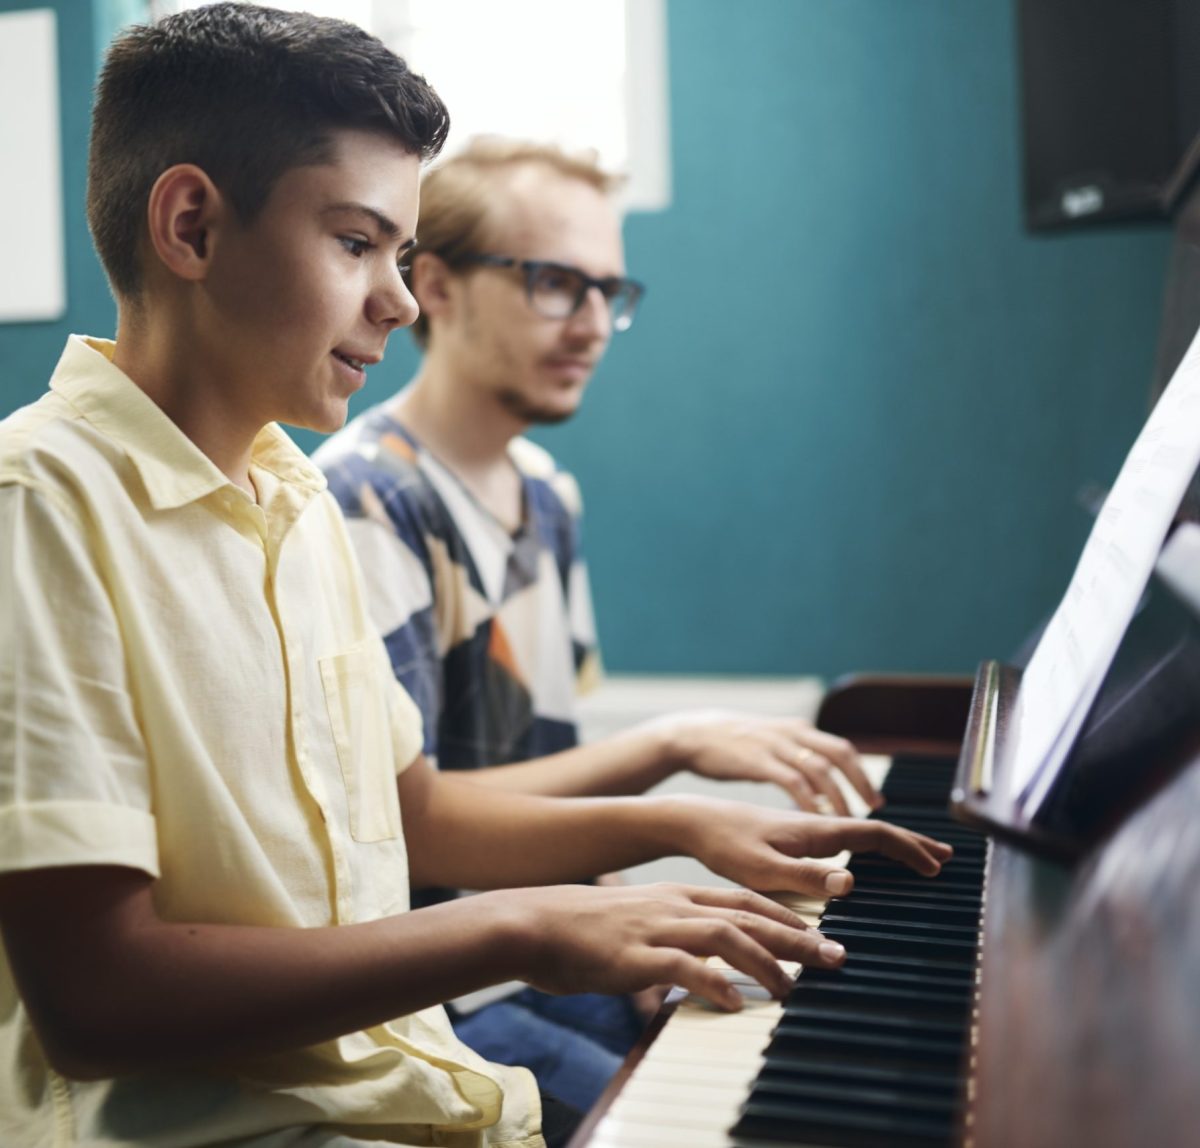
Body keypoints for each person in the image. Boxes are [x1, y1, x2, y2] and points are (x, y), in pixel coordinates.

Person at [0, 7, 952, 1148]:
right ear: (192, 224)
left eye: (399, 257)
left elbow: (418, 813)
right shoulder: (40, 505)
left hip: (415, 1091)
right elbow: (100, 998)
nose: (400, 301)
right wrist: (517, 931)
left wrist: (686, 822)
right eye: (356, 244)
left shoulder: (293, 504)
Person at [314, 138, 887, 1104]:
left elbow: (544, 782)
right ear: (439, 288)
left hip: (556, 952)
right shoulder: (367, 499)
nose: (590, 325)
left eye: (607, 293)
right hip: (441, 995)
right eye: (553, 283)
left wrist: (640, 937)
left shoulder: (547, 494)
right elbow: (414, 828)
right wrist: (674, 746)